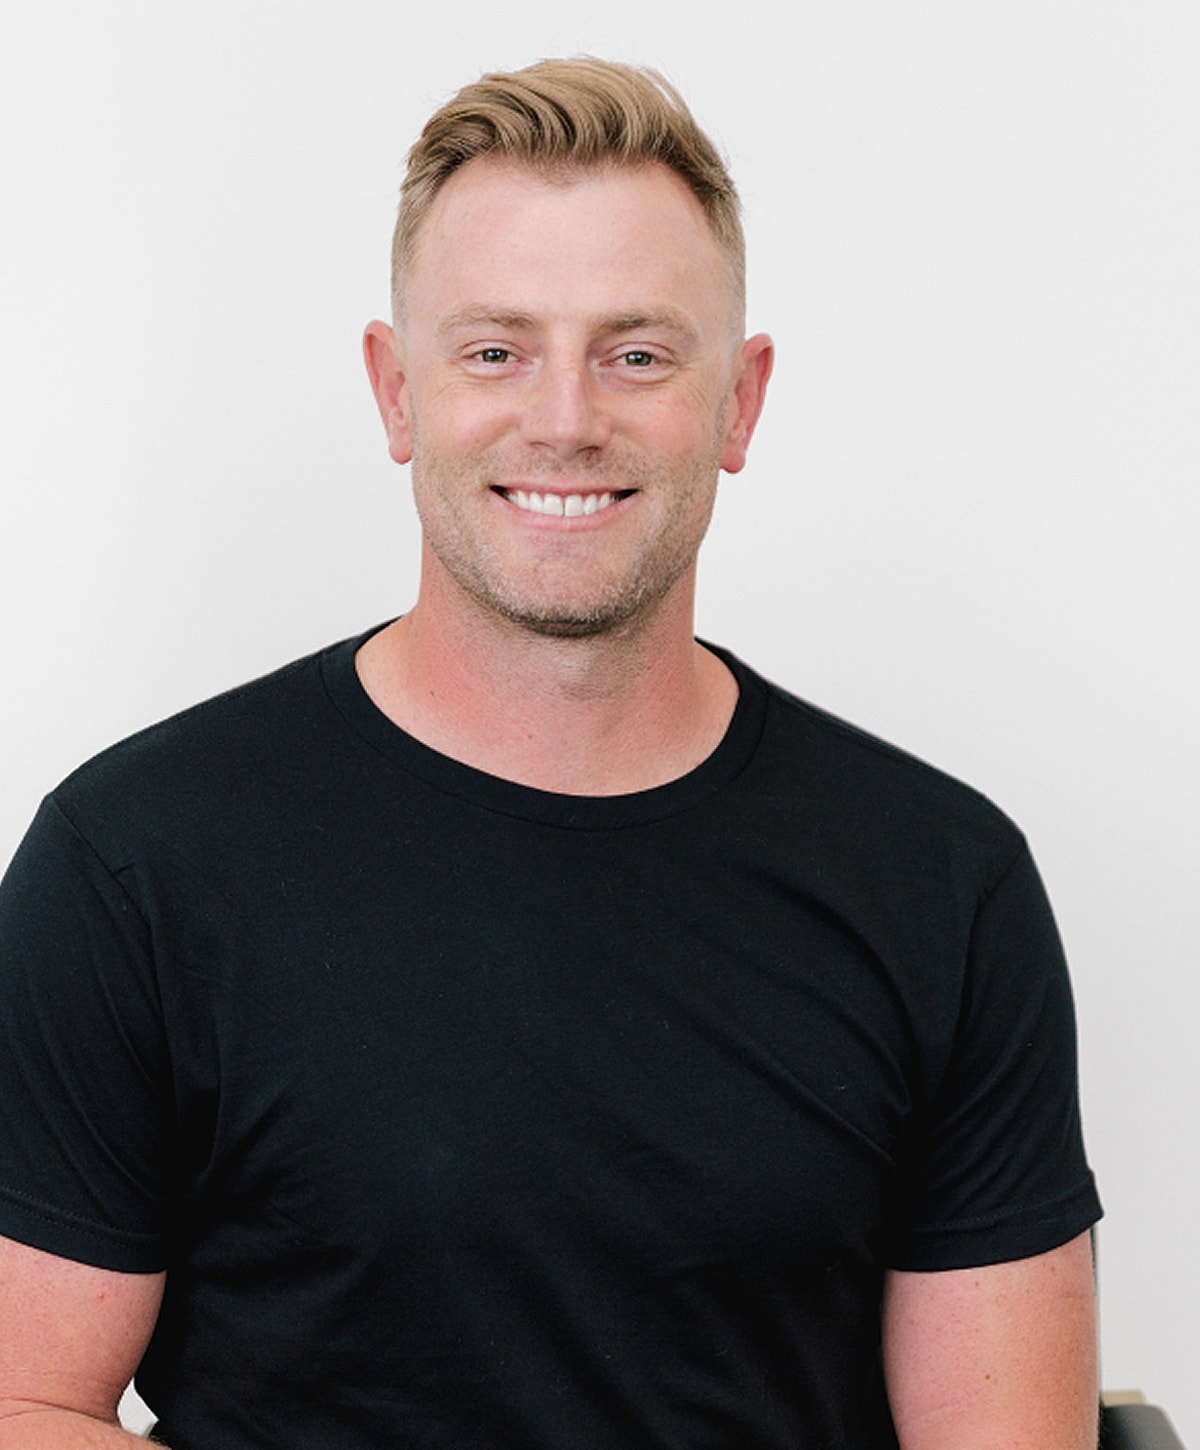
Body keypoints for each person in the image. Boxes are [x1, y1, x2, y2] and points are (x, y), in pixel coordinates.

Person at [0, 57, 1101, 1450]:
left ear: (739, 403)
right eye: (496, 349)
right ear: (397, 394)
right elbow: (19, 1400)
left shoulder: (945, 883)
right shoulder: (131, 864)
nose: (566, 416)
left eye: (638, 352)